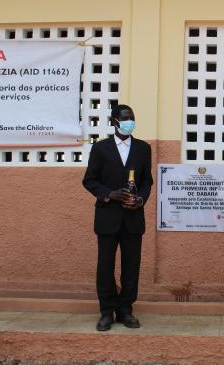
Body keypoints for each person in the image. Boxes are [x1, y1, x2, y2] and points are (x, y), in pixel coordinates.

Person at [82, 104, 153, 331]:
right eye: (125, 118)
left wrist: (140, 200)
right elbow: (90, 180)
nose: (129, 122)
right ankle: (106, 312)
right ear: (114, 121)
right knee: (105, 266)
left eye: (132, 118)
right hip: (107, 218)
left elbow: (146, 182)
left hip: (133, 219)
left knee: (131, 267)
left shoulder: (143, 148)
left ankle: (126, 310)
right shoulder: (101, 148)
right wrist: (109, 194)